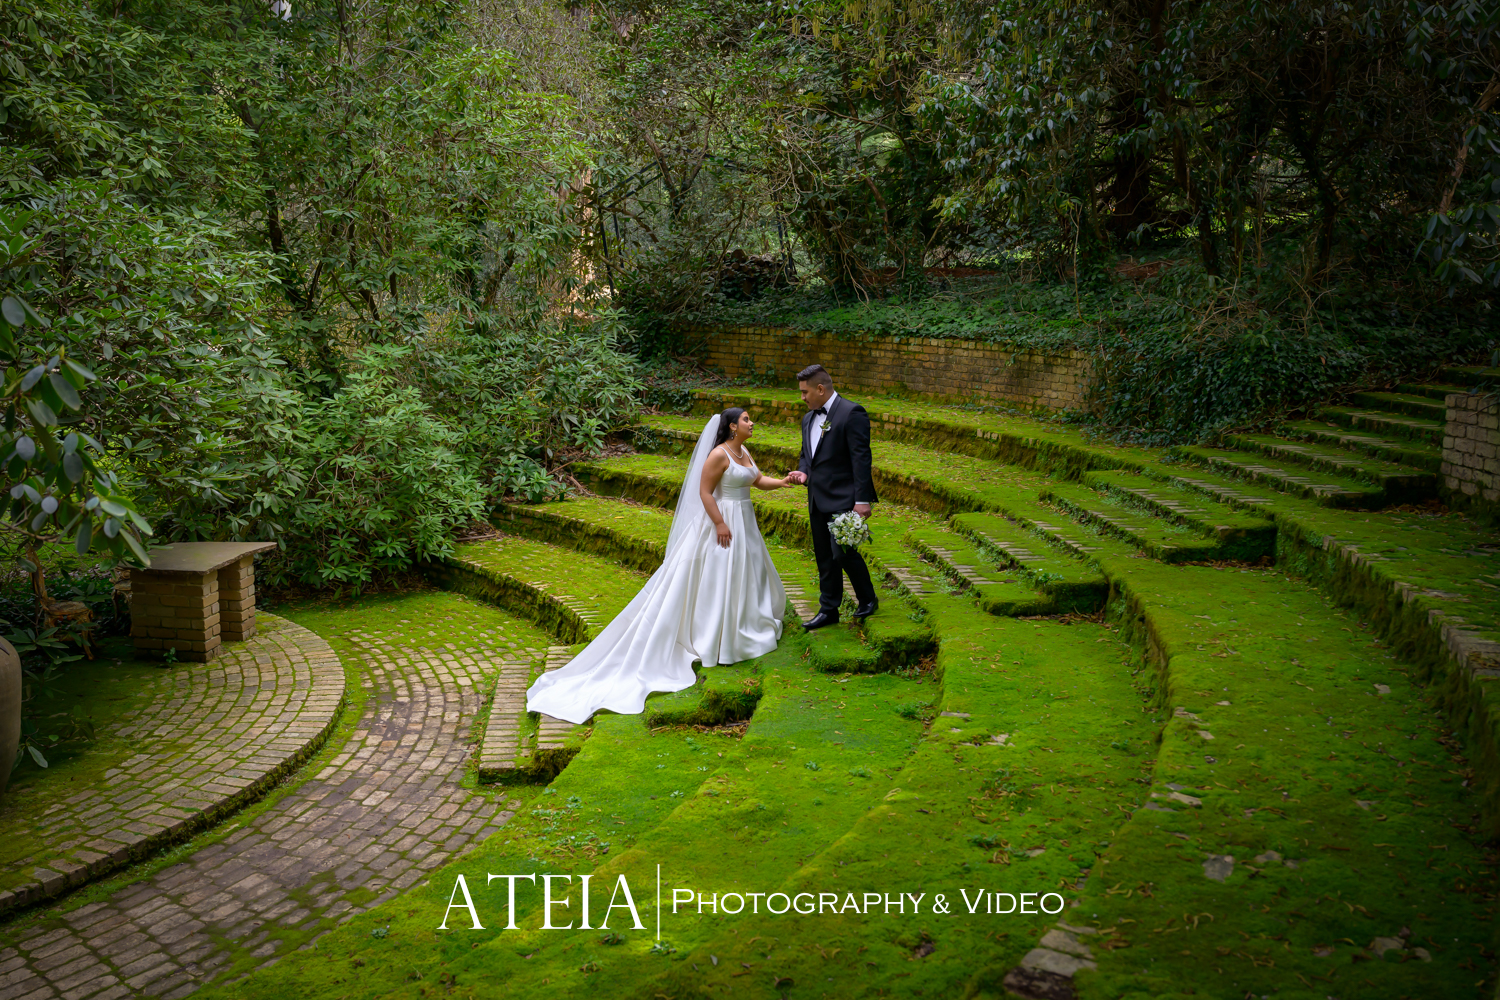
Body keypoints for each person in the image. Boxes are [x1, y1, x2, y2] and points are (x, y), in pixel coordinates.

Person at [525, 408, 797, 724]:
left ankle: (743, 628)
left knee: (745, 575)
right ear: (733, 426)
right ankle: (716, 638)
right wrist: (720, 523)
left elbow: (757, 480)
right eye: (747, 420)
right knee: (720, 578)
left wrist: (783, 482)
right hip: (724, 523)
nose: (753, 423)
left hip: (745, 521)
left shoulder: (744, 451)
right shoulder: (719, 455)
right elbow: (704, 493)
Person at [782, 364, 878, 630]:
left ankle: (868, 598)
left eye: (805, 392)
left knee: (842, 552)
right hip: (816, 497)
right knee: (824, 556)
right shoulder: (808, 418)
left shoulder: (852, 413)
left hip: (845, 498)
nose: (802, 397)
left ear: (820, 389)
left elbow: (861, 459)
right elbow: (807, 455)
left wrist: (863, 499)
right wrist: (802, 473)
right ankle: (829, 610)